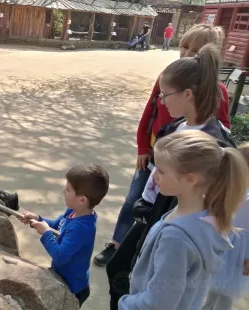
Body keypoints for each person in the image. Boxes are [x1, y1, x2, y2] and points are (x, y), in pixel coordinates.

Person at [106, 42, 237, 310]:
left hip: (181, 223)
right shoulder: (174, 126)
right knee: (121, 269)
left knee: (151, 279)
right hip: (159, 215)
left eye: (165, 94)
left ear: (188, 94)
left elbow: (231, 196)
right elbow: (156, 173)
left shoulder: (216, 142)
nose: (160, 100)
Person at [93, 23, 231, 268]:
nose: (188, 54)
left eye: (195, 50)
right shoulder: (169, 81)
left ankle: (144, 250)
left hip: (181, 164)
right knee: (135, 200)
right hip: (156, 154)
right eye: (185, 46)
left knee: (163, 208)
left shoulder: (217, 96)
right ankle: (118, 244)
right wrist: (142, 148)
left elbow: (223, 129)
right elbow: (150, 111)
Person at [118, 130, 249, 309]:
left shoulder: (176, 238)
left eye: (162, 171)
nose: (154, 176)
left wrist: (125, 303)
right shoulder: (206, 216)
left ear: (191, 179)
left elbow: (158, 303)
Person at [20, 164, 109, 308]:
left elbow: (60, 256)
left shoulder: (81, 228)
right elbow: (57, 225)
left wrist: (46, 233)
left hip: (72, 288)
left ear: (82, 200)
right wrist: (38, 219)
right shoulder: (72, 212)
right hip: (62, 277)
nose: (63, 192)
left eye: (68, 190)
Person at [202, 142, 249, 310]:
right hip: (223, 240)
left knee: (225, 294)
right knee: (211, 287)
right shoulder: (231, 188)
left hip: (240, 251)